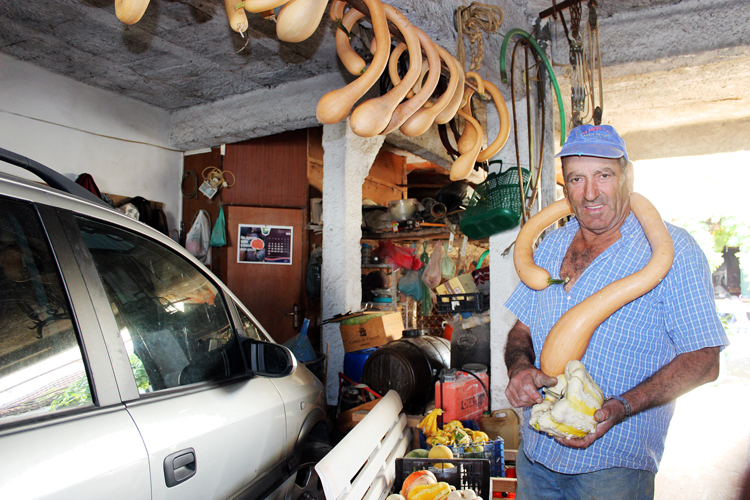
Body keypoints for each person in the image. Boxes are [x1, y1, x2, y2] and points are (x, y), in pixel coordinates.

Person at [503, 124, 729, 499]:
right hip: (536, 455)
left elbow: (705, 360)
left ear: (627, 176)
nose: (590, 193)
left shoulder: (674, 251)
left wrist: (622, 407)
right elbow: (521, 330)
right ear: (565, 187)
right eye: (577, 178)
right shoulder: (550, 245)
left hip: (613, 467)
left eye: (603, 175)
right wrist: (520, 368)